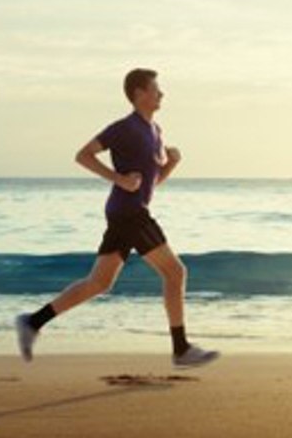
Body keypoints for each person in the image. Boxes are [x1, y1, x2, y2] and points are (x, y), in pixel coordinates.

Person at [14, 68, 220, 368]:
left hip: (127, 211)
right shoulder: (124, 128)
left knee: (99, 283)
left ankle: (33, 322)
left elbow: (150, 184)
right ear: (139, 94)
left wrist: (171, 164)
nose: (161, 94)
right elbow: (83, 155)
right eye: (155, 89)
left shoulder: (156, 131)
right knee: (175, 273)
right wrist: (118, 180)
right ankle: (181, 349)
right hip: (129, 213)